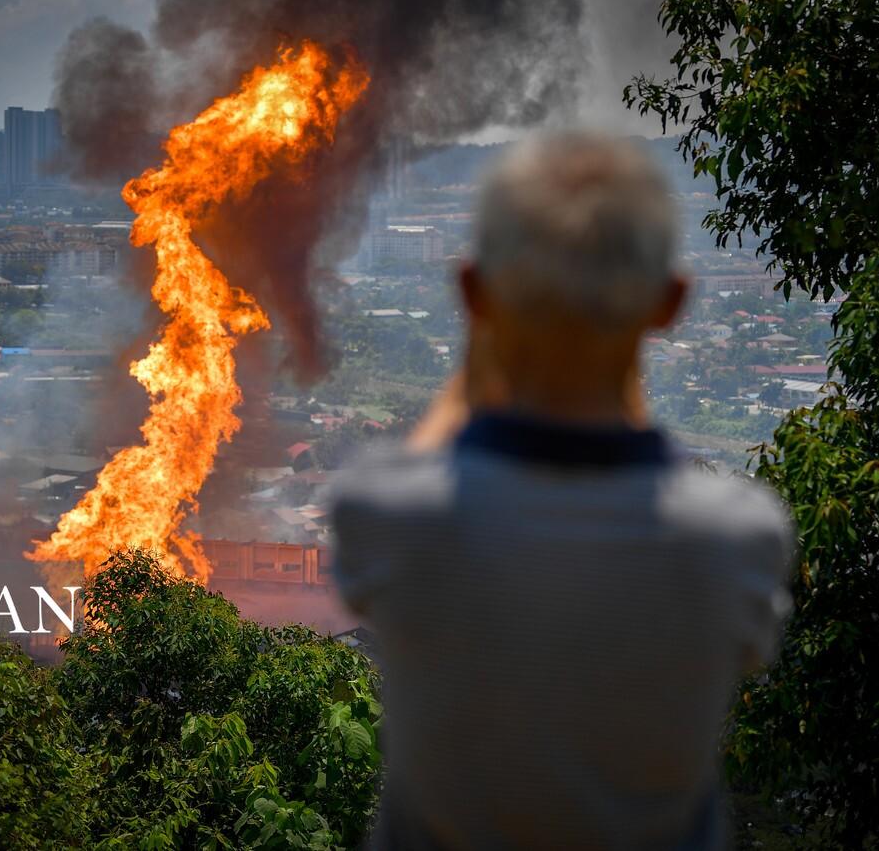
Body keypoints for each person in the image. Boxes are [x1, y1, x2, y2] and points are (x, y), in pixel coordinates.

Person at [330, 132, 795, 850]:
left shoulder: (391, 512)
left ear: (471, 294)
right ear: (670, 303)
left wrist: (484, 354)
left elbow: (425, 472)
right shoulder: (735, 536)